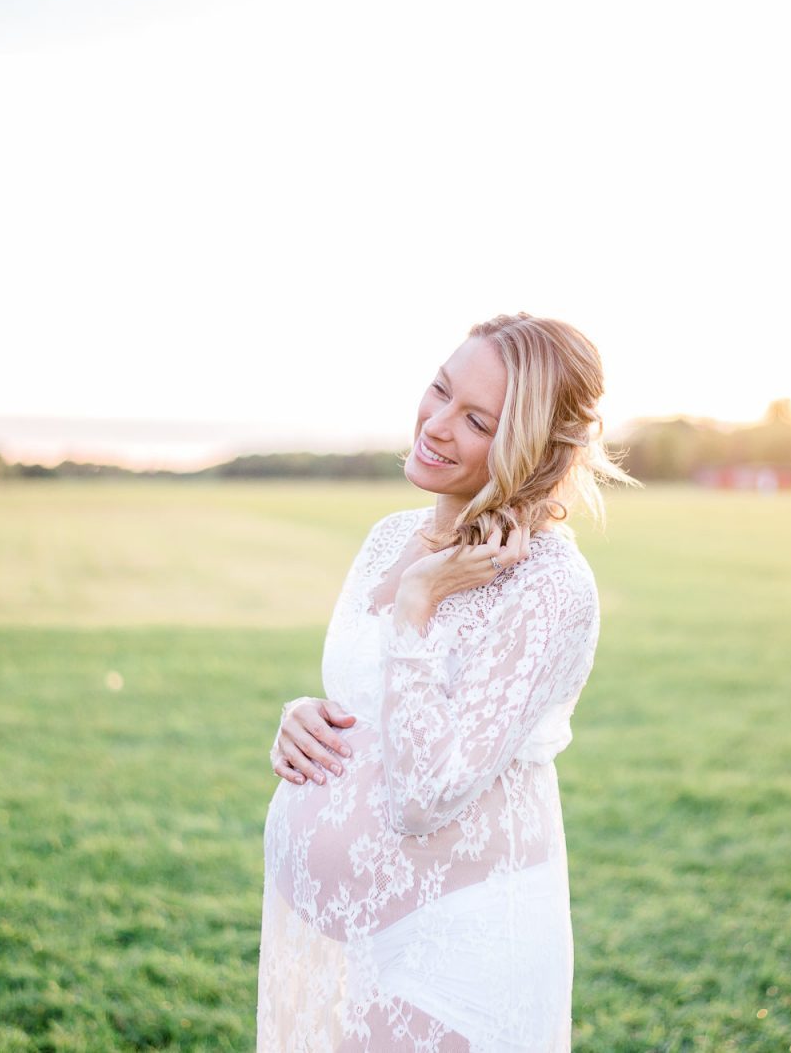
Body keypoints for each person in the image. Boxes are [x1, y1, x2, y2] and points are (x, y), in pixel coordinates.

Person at [256, 313, 636, 1051]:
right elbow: (377, 698)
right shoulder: (389, 537)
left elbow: (424, 792)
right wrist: (307, 714)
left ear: (530, 448)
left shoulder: (549, 586)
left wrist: (417, 605)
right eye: (439, 390)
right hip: (344, 942)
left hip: (454, 949)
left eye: (477, 420)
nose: (435, 424)